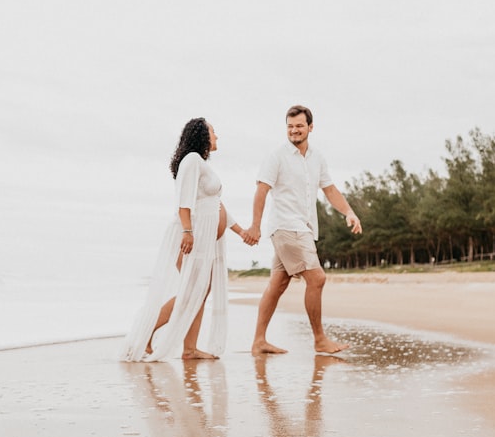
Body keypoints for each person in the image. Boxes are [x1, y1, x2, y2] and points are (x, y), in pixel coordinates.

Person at [119, 118, 252, 362]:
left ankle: (190, 348)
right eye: (214, 132)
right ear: (202, 135)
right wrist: (188, 232)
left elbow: (217, 205)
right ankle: (148, 333)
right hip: (194, 236)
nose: (217, 136)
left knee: (199, 290)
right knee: (192, 290)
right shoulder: (191, 160)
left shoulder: (201, 164)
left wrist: (240, 230)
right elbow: (184, 199)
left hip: (205, 237)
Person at [245, 105, 363, 355]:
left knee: (277, 284)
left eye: (299, 126)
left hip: (303, 229)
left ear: (310, 127)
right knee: (317, 278)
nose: (294, 131)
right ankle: (320, 340)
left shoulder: (317, 158)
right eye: (290, 126)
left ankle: (258, 341)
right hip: (287, 227)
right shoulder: (277, 156)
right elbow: (262, 190)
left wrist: (350, 212)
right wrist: (255, 225)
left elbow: (330, 190)